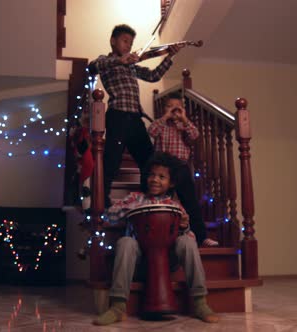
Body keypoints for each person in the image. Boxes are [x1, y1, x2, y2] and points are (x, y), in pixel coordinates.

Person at [93, 152, 219, 326]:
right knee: (125, 242)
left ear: (171, 182)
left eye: (162, 177)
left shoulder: (175, 206)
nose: (155, 179)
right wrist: (128, 207)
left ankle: (200, 302)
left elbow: (185, 237)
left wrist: (184, 226)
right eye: (152, 175)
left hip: (166, 260)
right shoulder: (135, 198)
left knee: (188, 241)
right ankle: (118, 306)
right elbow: (109, 217)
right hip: (139, 260)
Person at [88, 24, 180, 208]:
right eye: (124, 41)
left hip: (135, 119)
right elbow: (93, 67)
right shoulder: (107, 61)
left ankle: (149, 198)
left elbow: (154, 76)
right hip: (118, 116)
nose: (128, 46)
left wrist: (170, 57)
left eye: (130, 43)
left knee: (149, 160)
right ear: (113, 41)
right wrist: (120, 60)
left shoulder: (131, 67)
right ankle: (101, 201)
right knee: (111, 161)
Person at [148, 92, 219, 247]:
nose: (174, 110)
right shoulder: (161, 123)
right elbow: (151, 131)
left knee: (190, 201)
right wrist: (165, 117)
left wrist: (184, 119)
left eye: (177, 108)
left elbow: (195, 136)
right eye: (169, 107)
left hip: (180, 166)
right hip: (162, 168)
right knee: (158, 202)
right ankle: (158, 236)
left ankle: (201, 237)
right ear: (164, 110)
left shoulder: (184, 126)